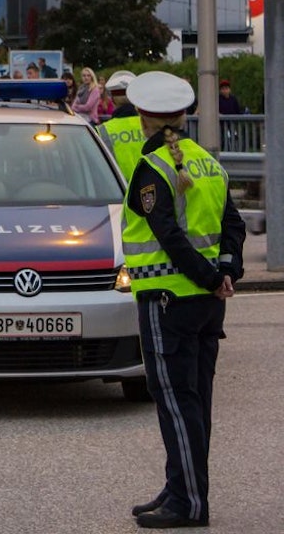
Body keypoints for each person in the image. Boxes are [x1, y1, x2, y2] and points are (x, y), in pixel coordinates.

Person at [123, 71, 246, 529]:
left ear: (142, 117)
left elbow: (169, 236)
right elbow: (233, 226)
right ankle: (181, 486)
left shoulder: (151, 168)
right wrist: (227, 272)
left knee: (175, 399)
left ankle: (189, 502)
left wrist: (211, 275)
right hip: (207, 303)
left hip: (167, 300)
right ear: (183, 116)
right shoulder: (208, 162)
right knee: (195, 401)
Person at [97, 70, 144, 181]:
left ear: (112, 99)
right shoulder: (150, 126)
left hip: (117, 193)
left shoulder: (101, 131)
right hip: (149, 193)